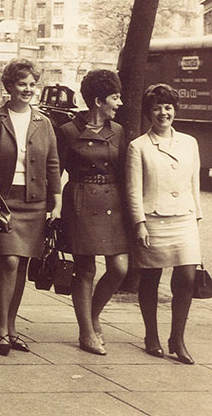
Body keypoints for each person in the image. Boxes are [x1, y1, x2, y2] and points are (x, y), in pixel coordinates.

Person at [0, 58, 61, 356]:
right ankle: (1, 327)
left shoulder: (44, 122)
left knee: (24, 264)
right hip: (4, 202)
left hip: (35, 202)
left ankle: (13, 327)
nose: (27, 89)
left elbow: (53, 164)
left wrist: (57, 202)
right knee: (10, 262)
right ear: (9, 87)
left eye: (32, 84)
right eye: (21, 84)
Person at [126, 83, 202, 364]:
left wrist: (196, 217)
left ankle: (177, 339)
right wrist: (139, 223)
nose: (163, 112)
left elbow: (194, 182)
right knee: (151, 277)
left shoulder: (190, 143)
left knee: (187, 277)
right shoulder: (139, 146)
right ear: (148, 112)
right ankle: (151, 336)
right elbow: (134, 189)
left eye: (168, 107)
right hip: (154, 220)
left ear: (175, 111)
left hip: (184, 218)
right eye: (157, 107)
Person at [57, 70, 130, 355]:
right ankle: (86, 331)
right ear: (98, 101)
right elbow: (56, 172)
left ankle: (93, 315)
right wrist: (55, 208)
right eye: (115, 97)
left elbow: (124, 171)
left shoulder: (119, 130)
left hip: (113, 201)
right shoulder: (68, 131)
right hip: (82, 201)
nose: (120, 103)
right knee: (85, 269)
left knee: (119, 267)